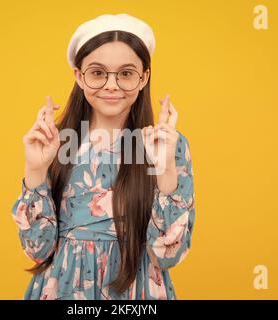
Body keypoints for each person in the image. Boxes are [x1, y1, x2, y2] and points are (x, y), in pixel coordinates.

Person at [11, 13, 196, 300]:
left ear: (144, 77)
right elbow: (38, 250)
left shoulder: (167, 144)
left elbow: (167, 255)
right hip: (65, 291)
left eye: (125, 73)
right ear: (78, 76)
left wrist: (166, 169)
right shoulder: (53, 143)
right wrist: (35, 171)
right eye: (98, 73)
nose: (111, 85)